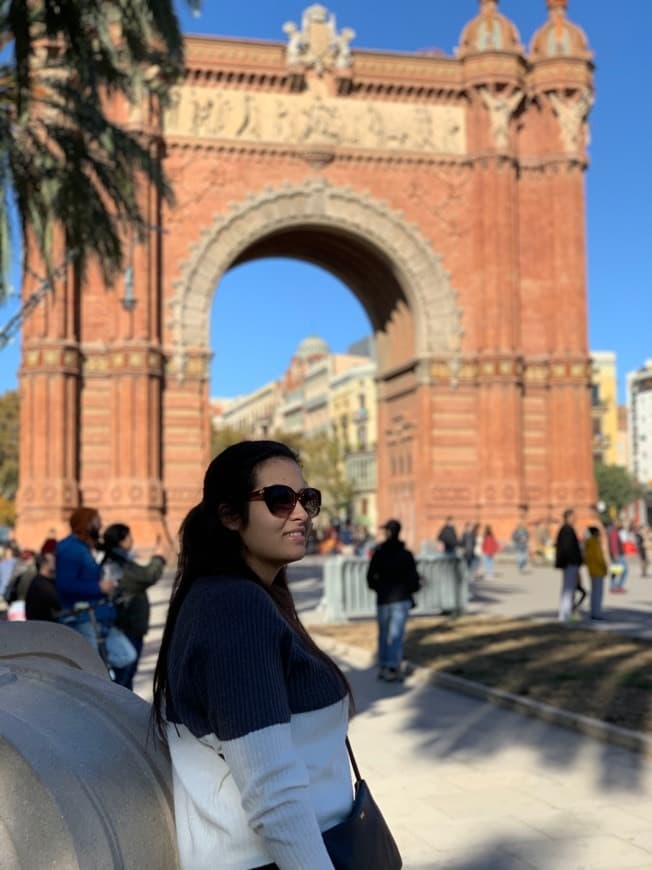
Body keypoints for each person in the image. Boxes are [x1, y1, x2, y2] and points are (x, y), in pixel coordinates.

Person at [151, 441, 355, 869]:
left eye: (307, 499)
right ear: (229, 516)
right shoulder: (235, 608)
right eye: (280, 500)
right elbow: (272, 792)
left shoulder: (233, 596)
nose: (300, 513)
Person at [55, 507, 136, 684]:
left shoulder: (85, 547)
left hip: (99, 616)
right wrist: (98, 587)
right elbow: (65, 585)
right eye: (96, 520)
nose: (100, 525)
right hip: (83, 619)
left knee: (126, 656)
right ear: (86, 523)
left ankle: (115, 697)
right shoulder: (70, 548)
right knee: (90, 672)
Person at [101, 523, 167, 690]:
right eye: (129, 537)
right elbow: (146, 576)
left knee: (128, 673)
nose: (132, 540)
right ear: (121, 541)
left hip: (131, 624)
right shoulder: (117, 564)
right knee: (125, 674)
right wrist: (158, 558)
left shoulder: (119, 560)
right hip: (127, 624)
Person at [366, 519, 421, 682]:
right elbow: (413, 578)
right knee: (396, 634)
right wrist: (410, 590)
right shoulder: (406, 554)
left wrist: (378, 588)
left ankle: (384, 665)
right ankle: (392, 666)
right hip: (401, 598)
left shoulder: (379, 552)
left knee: (383, 633)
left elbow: (370, 577)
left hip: (383, 599)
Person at [554, 509, 583, 622]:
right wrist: (574, 560)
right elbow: (568, 549)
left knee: (569, 589)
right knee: (568, 590)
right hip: (570, 563)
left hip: (570, 563)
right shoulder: (567, 530)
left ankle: (566, 614)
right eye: (573, 517)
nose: (575, 519)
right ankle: (565, 615)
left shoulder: (567, 529)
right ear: (568, 517)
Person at [24, 551, 60, 621]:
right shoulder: (40, 584)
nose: (57, 563)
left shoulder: (46, 582)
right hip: (42, 627)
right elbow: (59, 603)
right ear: (44, 564)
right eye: (53, 561)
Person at [583, 526, 607, 621]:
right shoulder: (595, 542)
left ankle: (594, 612)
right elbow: (599, 557)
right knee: (598, 592)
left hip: (592, 570)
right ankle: (596, 613)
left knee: (594, 592)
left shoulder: (587, 543)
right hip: (598, 570)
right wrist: (604, 567)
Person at [607, 521, 628, 593]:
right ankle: (618, 586)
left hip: (615, 554)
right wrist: (616, 554)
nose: (621, 524)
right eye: (619, 523)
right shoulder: (614, 532)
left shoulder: (614, 531)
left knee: (615, 571)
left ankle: (613, 586)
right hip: (618, 555)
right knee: (624, 571)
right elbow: (614, 544)